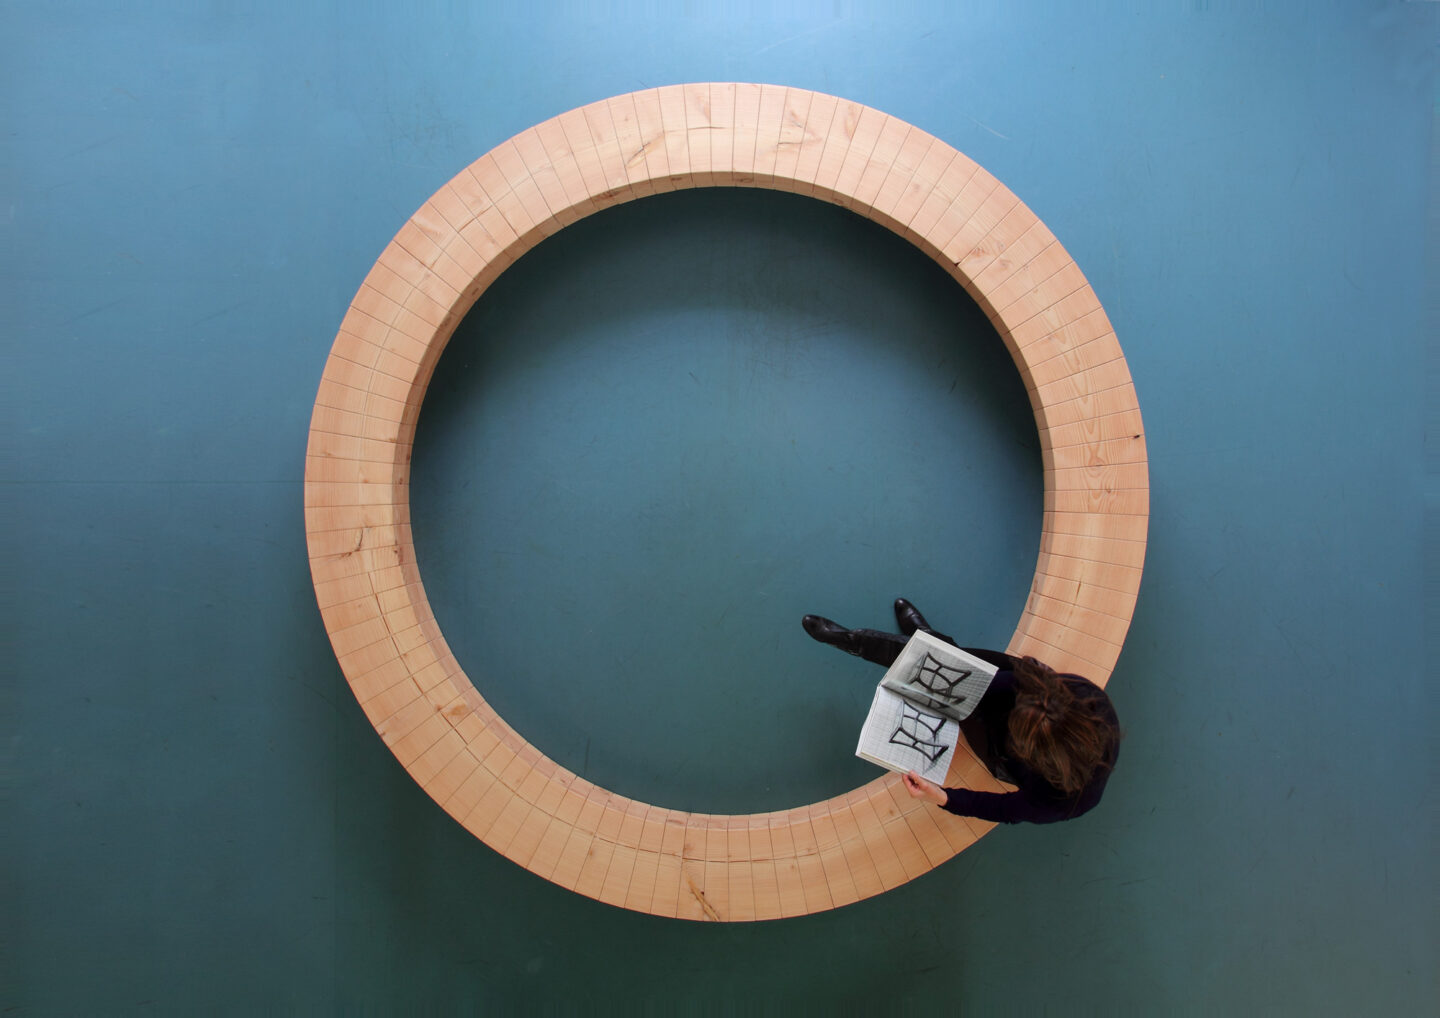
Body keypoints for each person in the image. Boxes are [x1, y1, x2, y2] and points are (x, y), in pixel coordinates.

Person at [801, 598, 1121, 824]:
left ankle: (926, 641)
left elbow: (1004, 809)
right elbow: (983, 683)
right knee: (956, 666)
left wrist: (941, 798)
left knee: (956, 690)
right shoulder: (1089, 698)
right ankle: (865, 641)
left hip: (1001, 742)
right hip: (1024, 686)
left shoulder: (1061, 802)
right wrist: (954, 668)